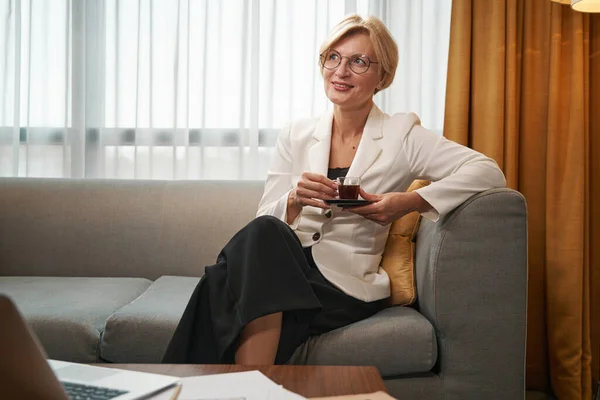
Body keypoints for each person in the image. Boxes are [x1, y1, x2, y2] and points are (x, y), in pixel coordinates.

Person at [162, 14, 506, 366]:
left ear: (382, 76)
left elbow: (487, 171)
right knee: (264, 235)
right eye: (333, 57)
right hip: (286, 272)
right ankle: (254, 386)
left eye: (358, 61)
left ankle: (182, 385)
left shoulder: (403, 135)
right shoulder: (296, 134)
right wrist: (294, 199)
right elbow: (263, 219)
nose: (341, 71)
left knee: (224, 282)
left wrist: (407, 202)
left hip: (344, 284)